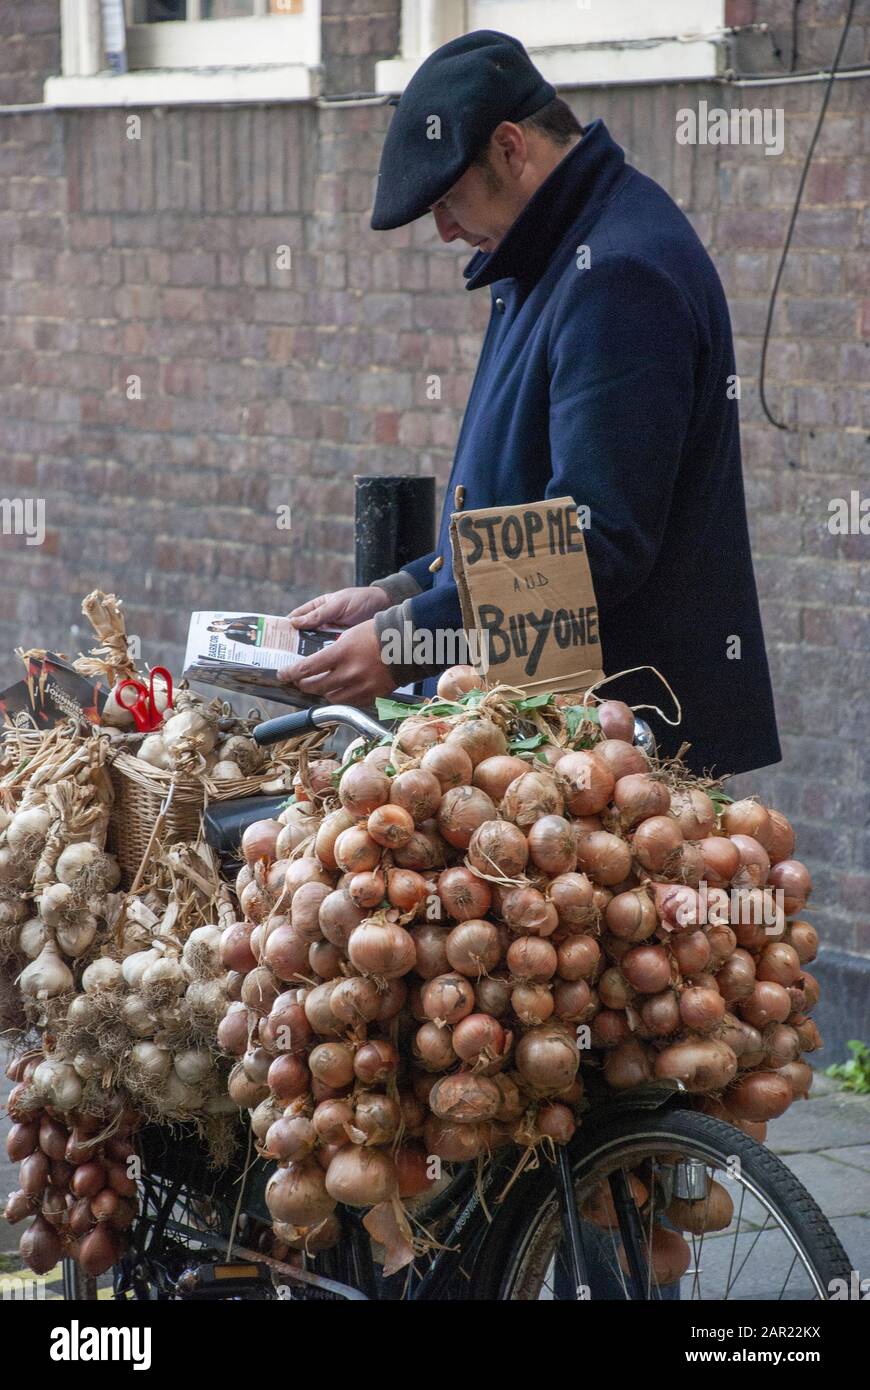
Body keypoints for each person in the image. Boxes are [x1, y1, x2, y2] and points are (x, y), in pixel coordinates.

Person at [281, 29, 780, 778]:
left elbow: (594, 542)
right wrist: (396, 593)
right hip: (551, 739)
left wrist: (408, 641)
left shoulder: (615, 273)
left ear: (512, 148)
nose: (445, 229)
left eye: (449, 197)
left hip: (617, 758)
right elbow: (520, 513)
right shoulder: (555, 253)